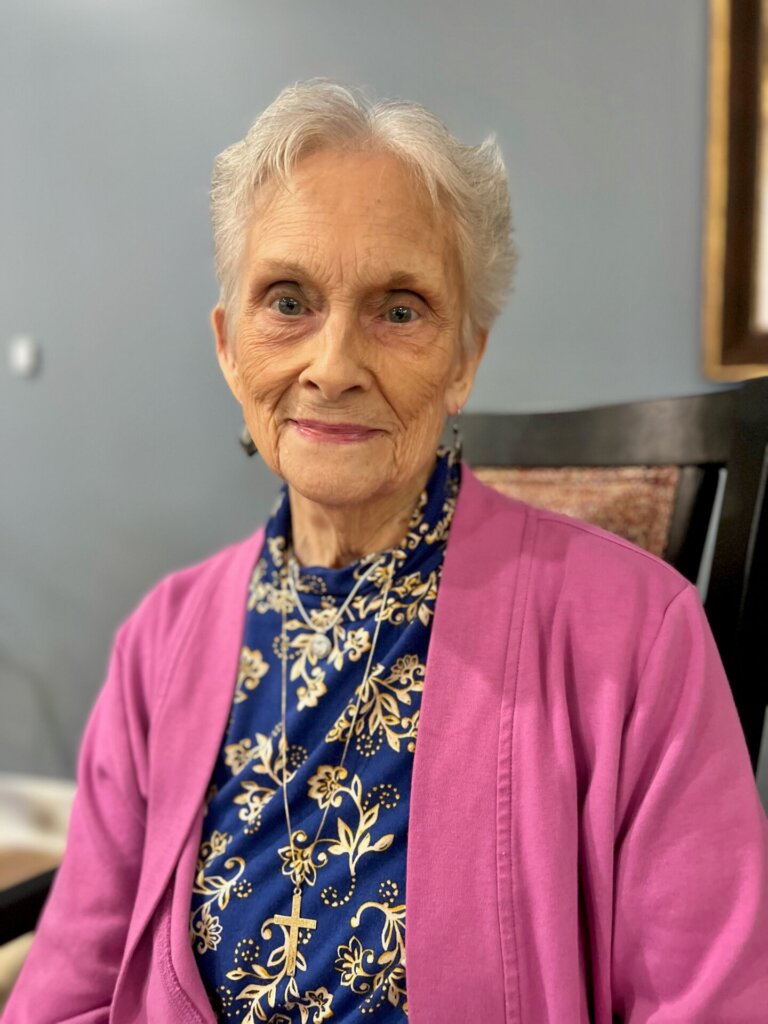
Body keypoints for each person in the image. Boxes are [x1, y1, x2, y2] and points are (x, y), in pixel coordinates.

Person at [4, 79, 767, 1024]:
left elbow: (711, 1004)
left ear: (465, 359)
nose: (332, 364)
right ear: (229, 346)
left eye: (399, 310)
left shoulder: (639, 640)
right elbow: (67, 988)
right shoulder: (160, 642)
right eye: (287, 300)